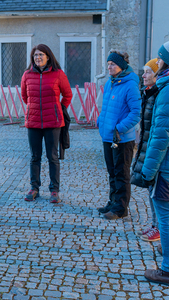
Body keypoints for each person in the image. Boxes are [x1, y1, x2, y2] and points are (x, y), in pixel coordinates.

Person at [21, 44, 72, 203]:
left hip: (53, 122)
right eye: (35, 55)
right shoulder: (27, 75)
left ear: (48, 56)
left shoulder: (58, 74)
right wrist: (33, 109)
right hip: (33, 122)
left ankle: (54, 190)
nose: (38, 58)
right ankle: (34, 187)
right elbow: (25, 97)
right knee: (35, 157)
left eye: (41, 54)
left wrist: (59, 108)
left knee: (52, 156)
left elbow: (68, 95)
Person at [97, 50, 141, 220]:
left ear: (121, 66)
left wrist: (119, 128)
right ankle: (113, 202)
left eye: (112, 64)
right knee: (112, 172)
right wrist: (101, 121)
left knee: (121, 173)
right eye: (108, 64)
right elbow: (106, 107)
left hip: (122, 138)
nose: (109, 67)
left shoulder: (130, 84)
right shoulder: (110, 83)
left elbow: (135, 112)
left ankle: (121, 208)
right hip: (108, 137)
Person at [142, 41, 169, 285]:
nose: (156, 63)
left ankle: (167, 269)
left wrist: (147, 172)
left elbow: (161, 135)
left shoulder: (167, 90)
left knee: (165, 216)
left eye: (160, 59)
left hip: (166, 169)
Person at [131, 58, 160, 242]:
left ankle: (159, 228)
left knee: (157, 192)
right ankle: (155, 224)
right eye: (144, 71)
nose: (144, 75)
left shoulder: (159, 95)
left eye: (148, 71)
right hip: (147, 148)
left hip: (155, 151)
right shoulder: (148, 93)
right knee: (151, 190)